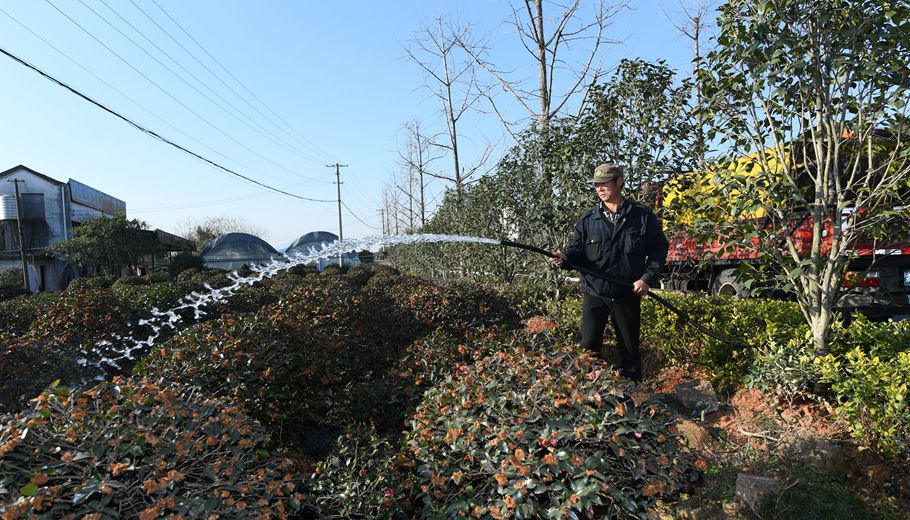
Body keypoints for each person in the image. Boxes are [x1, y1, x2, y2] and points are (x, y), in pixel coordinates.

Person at [550, 164, 669, 382]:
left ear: (619, 182)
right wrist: (565, 257)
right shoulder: (588, 220)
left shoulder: (641, 216)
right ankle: (588, 397)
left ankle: (634, 397)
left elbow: (659, 249)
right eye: (596, 185)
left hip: (627, 293)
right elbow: (576, 251)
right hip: (595, 292)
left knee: (630, 350)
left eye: (604, 183)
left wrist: (646, 279)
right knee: (588, 349)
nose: (600, 189)